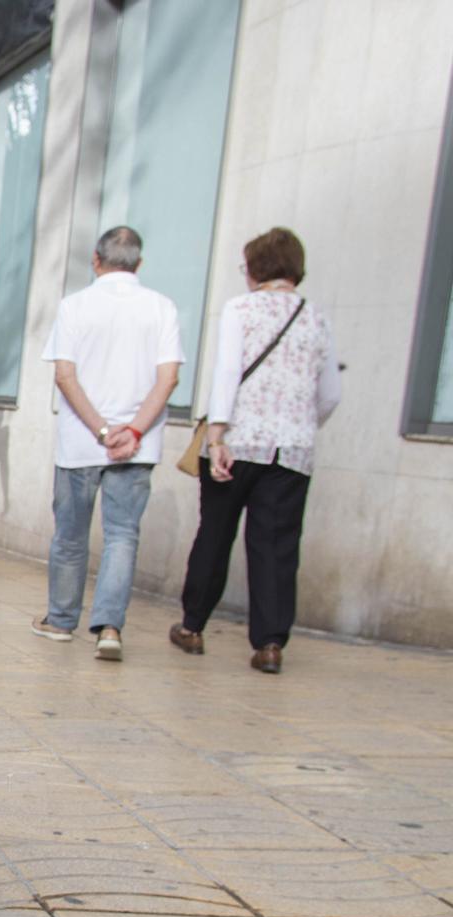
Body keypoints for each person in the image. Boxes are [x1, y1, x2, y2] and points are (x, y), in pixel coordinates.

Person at [170, 227, 340, 674]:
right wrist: (300, 422)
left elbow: (227, 372)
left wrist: (217, 435)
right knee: (277, 546)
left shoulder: (241, 309)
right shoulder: (316, 317)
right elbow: (330, 394)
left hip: (238, 442)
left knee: (216, 533)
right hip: (293, 451)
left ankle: (192, 626)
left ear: (257, 267)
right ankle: (269, 643)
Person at [32, 225, 183, 661]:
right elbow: (168, 376)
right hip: (138, 446)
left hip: (82, 443)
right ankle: (110, 628)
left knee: (70, 535)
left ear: (96, 261)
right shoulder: (162, 307)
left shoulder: (74, 306)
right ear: (139, 263)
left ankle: (61, 621)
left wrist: (100, 430)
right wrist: (132, 430)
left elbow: (64, 375)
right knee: (122, 536)